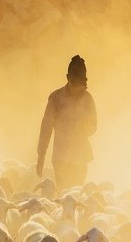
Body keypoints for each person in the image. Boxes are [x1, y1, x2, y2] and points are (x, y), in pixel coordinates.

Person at [35, 54, 97, 189]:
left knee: (77, 193)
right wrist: (41, 156)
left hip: (81, 156)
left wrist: (81, 128)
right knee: (64, 192)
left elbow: (93, 127)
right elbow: (46, 127)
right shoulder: (56, 98)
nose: (78, 89)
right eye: (75, 83)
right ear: (68, 78)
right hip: (61, 157)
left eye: (81, 84)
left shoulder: (87, 99)